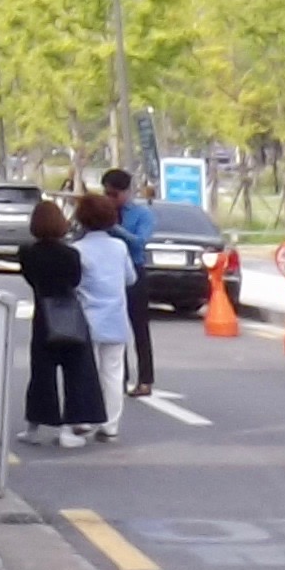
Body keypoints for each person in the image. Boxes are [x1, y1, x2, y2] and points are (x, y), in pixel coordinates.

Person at [21, 196, 107, 447]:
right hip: (70, 314)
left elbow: (31, 279)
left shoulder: (27, 253)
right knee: (77, 373)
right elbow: (75, 280)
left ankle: (33, 427)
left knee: (41, 375)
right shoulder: (70, 254)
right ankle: (70, 429)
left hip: (43, 317)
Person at [72, 187, 135, 436]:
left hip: (87, 319)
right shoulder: (120, 247)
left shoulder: (78, 250)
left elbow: (74, 284)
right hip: (116, 318)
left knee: (87, 372)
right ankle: (110, 425)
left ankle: (85, 419)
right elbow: (130, 278)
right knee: (113, 373)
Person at [100, 166, 157, 397]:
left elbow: (140, 242)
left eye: (114, 195)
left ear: (126, 192)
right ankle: (119, 378)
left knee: (139, 326)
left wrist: (115, 229)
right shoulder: (103, 211)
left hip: (134, 270)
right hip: (110, 272)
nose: (110, 199)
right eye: (106, 194)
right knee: (116, 325)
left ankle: (145, 379)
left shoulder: (142, 214)